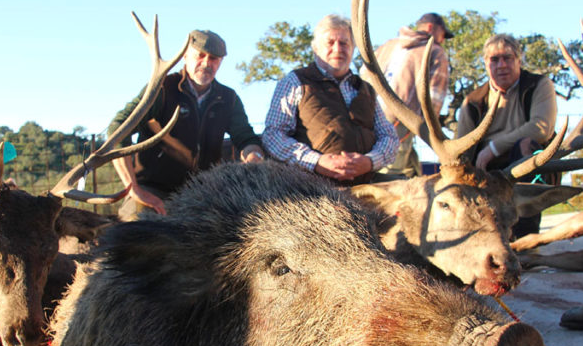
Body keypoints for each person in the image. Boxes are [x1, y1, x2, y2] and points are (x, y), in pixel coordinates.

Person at [111, 28, 263, 219]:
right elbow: (118, 128)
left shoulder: (228, 98)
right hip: (154, 191)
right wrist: (133, 189)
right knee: (136, 227)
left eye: (214, 58)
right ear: (185, 56)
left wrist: (254, 156)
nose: (206, 63)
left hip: (204, 193)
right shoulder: (162, 88)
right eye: (200, 55)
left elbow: (245, 137)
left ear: (221, 62)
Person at [262, 14, 398, 184]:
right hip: (311, 190)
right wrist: (316, 162)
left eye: (344, 43)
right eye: (330, 43)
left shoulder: (367, 89)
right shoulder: (296, 82)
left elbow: (389, 137)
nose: (338, 49)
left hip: (364, 187)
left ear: (353, 48)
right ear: (316, 49)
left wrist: (370, 161)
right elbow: (273, 134)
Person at [455, 32, 557, 236]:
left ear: (519, 60)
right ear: (485, 63)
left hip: (529, 165)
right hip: (486, 172)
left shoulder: (538, 86)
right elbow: (461, 149)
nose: (501, 65)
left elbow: (541, 128)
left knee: (526, 144)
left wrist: (492, 149)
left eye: (508, 58)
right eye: (494, 59)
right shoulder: (473, 101)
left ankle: (525, 235)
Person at [364, 12, 451, 178]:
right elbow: (435, 96)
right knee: (391, 175)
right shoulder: (435, 50)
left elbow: (364, 73)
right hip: (401, 122)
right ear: (431, 28)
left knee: (409, 168)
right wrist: (430, 131)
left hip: (370, 117)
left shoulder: (389, 45)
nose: (443, 40)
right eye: (443, 35)